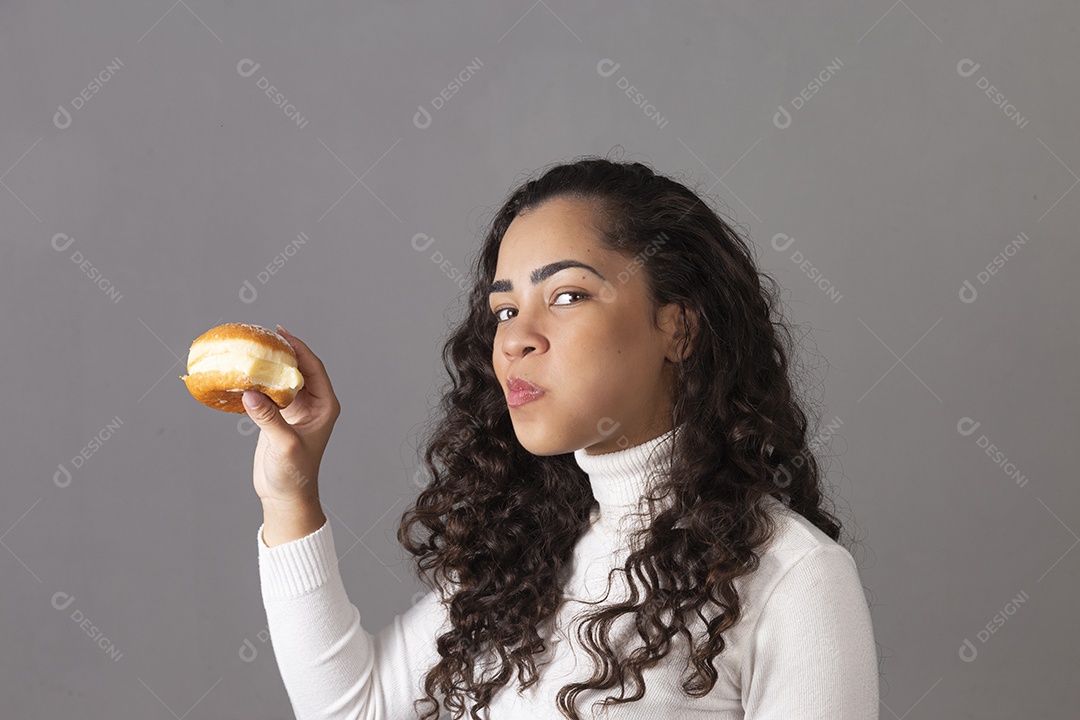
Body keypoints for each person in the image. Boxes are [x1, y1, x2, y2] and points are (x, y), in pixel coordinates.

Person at [243, 156, 880, 719]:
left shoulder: (793, 577)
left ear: (679, 329)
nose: (516, 339)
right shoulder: (523, 552)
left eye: (568, 295)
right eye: (505, 310)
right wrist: (289, 495)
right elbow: (357, 709)